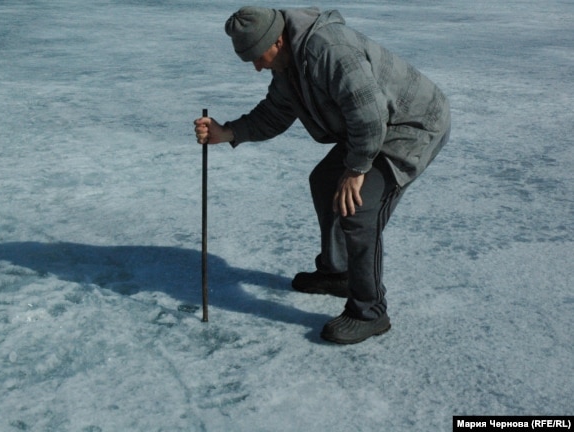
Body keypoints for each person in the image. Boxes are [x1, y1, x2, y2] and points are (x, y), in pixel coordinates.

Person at [193, 6, 451, 344]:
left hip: (411, 127)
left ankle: (370, 311)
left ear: (278, 39)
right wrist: (227, 132)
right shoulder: (289, 64)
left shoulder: (329, 51)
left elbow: (371, 116)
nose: (258, 66)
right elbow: (275, 112)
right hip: (372, 128)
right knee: (325, 181)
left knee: (358, 207)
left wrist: (357, 169)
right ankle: (338, 272)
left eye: (258, 57)